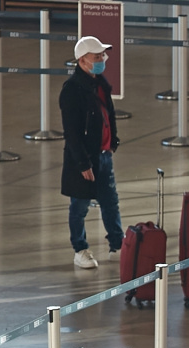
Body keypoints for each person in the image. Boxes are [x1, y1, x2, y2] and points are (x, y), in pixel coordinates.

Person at [59, 37, 122, 268]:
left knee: (110, 202)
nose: (102, 60)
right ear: (82, 61)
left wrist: (113, 141)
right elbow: (72, 133)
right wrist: (83, 164)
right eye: (97, 57)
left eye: (102, 56)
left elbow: (109, 115)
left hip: (104, 155)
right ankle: (80, 249)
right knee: (80, 205)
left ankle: (117, 244)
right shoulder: (72, 90)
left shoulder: (101, 84)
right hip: (85, 159)